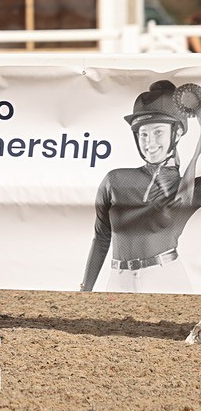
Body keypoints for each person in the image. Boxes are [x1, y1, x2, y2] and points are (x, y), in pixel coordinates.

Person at [80, 80, 201, 293]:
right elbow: (101, 237)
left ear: (178, 132)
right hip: (118, 280)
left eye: (157, 132)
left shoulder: (189, 188)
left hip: (166, 277)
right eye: (143, 134)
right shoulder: (114, 180)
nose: (149, 142)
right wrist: (85, 290)